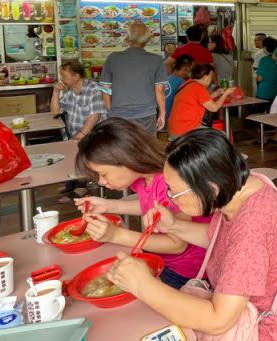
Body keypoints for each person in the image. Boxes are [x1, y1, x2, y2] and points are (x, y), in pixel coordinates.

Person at [106, 130, 277, 341]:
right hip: (251, 315)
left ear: (211, 188)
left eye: (175, 192)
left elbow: (219, 321)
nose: (170, 198)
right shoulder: (243, 186)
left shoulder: (252, 231)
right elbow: (219, 235)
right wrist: (174, 225)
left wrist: (142, 285)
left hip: (268, 340)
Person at [73, 118, 207, 289]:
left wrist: (116, 235)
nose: (101, 182)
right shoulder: (144, 177)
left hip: (186, 272)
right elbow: (152, 205)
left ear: (127, 159)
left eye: (104, 174)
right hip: (163, 259)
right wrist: (109, 205)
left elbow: (177, 245)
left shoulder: (169, 181)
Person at [100, 21, 167, 135]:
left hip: (119, 115)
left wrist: (109, 108)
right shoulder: (157, 59)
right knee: (145, 149)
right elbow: (159, 90)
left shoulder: (113, 58)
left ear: (128, 38)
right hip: (146, 115)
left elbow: (105, 88)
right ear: (146, 39)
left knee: (122, 149)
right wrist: (162, 114)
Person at [167, 64, 235, 140]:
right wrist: (225, 94)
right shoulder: (198, 87)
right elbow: (214, 108)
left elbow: (200, 99)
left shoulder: (187, 84)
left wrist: (216, 94)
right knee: (222, 136)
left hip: (174, 129)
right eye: (211, 77)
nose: (211, 80)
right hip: (185, 130)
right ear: (205, 77)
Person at [50, 59, 105, 140]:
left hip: (91, 139)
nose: (61, 79)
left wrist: (78, 137)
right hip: (72, 137)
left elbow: (94, 117)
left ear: (76, 76)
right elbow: (55, 113)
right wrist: (56, 92)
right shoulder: (70, 91)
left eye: (64, 76)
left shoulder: (95, 89)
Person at [164, 55, 193, 120]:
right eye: (185, 70)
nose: (187, 73)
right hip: (173, 114)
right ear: (177, 69)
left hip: (163, 113)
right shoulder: (182, 82)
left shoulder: (167, 78)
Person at [256, 37, 277, 106]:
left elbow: (259, 78)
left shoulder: (263, 60)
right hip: (275, 93)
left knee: (259, 115)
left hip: (263, 93)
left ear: (266, 47)